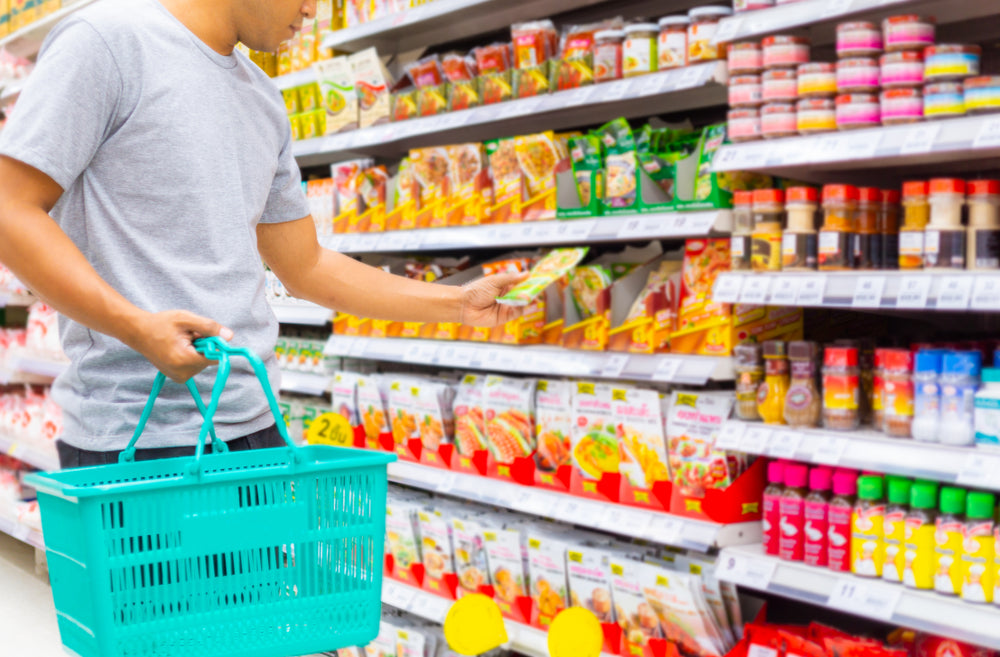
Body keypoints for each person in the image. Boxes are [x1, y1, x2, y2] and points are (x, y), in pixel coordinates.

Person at [0, 0, 525, 468]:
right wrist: (135, 326)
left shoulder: (263, 99)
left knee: (262, 584)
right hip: (138, 435)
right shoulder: (108, 39)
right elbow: (10, 207)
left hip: (256, 426)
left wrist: (457, 303)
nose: (316, 12)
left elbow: (306, 266)